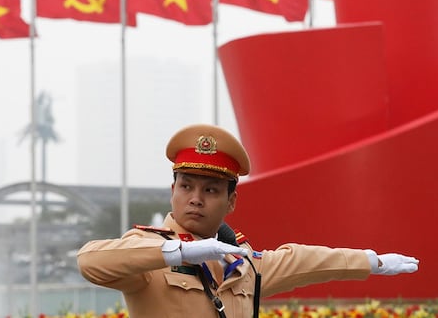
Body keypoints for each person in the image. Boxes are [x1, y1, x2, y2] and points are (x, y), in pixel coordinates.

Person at [77, 123, 419, 318]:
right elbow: (91, 261)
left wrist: (368, 260)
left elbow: (299, 260)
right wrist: (176, 253)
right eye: (186, 186)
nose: (195, 198)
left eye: (211, 189)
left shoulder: (240, 263)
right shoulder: (151, 249)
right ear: (173, 191)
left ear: (231, 201)